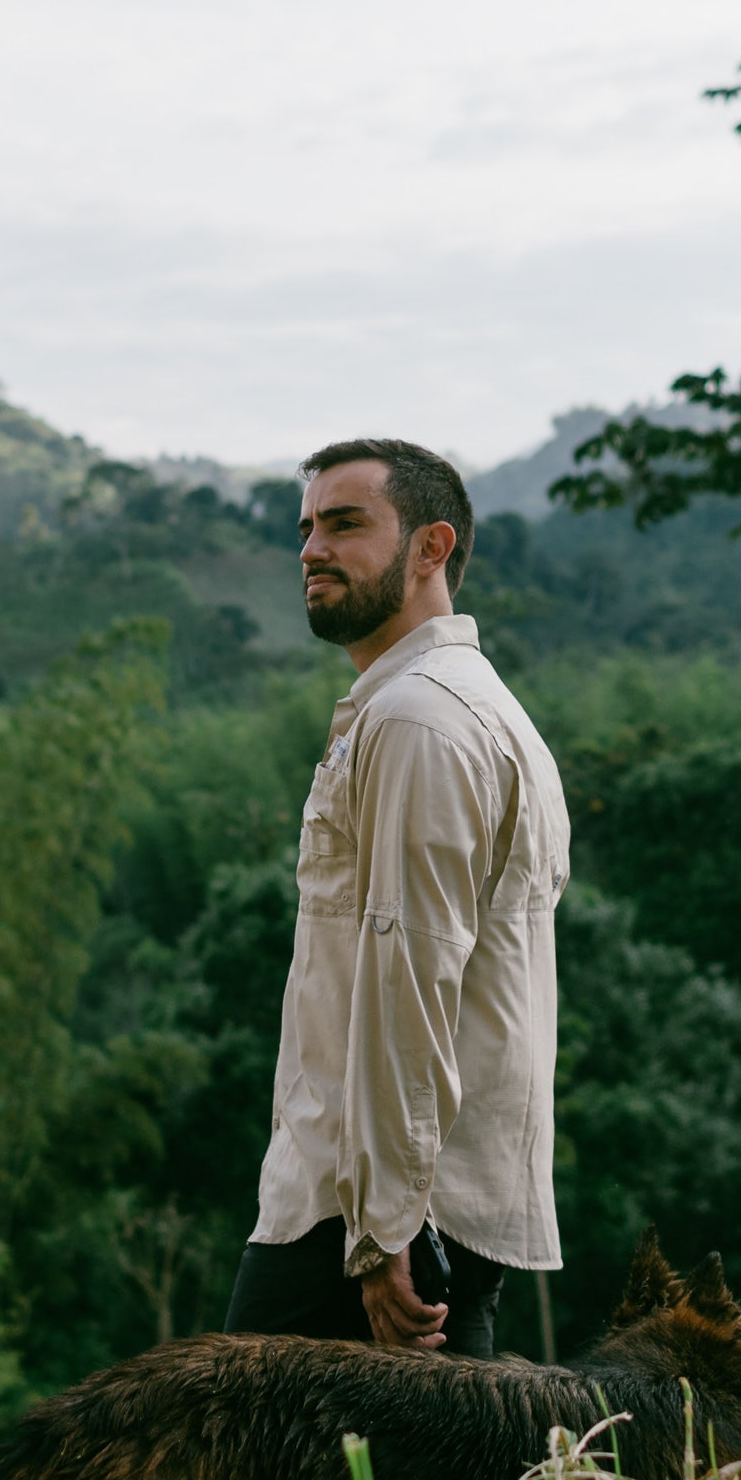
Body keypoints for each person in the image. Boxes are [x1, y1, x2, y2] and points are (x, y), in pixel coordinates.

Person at [221, 437, 571, 1356]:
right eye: (305, 529)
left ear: (431, 546)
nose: (311, 550)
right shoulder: (474, 707)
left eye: (345, 523)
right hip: (415, 1210)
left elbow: (409, 976)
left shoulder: (419, 718)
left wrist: (383, 1232)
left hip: (369, 1223)